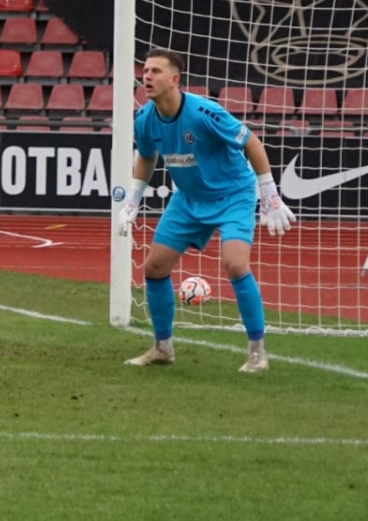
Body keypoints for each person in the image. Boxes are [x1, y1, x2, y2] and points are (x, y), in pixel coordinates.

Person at [116, 48, 295, 373]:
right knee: (154, 268)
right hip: (188, 198)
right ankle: (162, 349)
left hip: (232, 195)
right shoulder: (143, 119)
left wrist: (269, 193)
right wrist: (132, 200)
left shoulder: (204, 112)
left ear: (175, 79)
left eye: (156, 71)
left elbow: (251, 142)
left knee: (235, 264)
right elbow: (146, 156)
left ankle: (258, 352)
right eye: (145, 70)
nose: (147, 76)